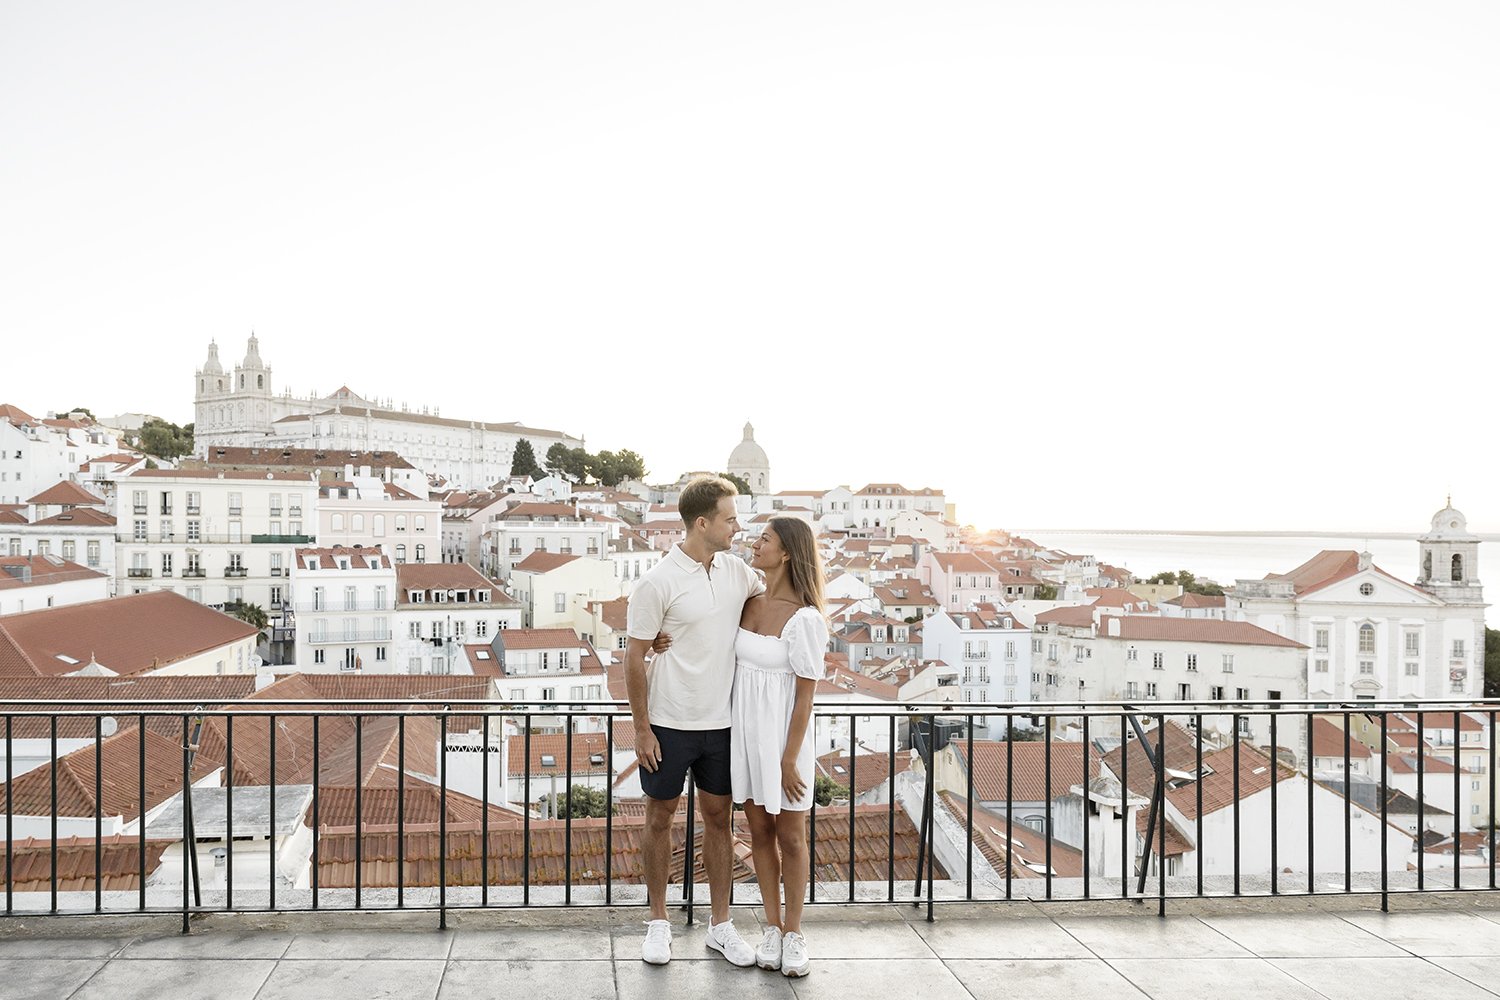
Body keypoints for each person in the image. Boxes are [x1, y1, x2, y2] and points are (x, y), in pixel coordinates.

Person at [653, 515, 829, 977]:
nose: (755, 542)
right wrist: (658, 636)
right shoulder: (748, 601)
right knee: (761, 836)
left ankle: (794, 933)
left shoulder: (806, 618)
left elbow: (806, 694)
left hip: (784, 744)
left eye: (765, 539)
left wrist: (790, 759)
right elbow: (703, 628)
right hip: (744, 737)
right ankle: (770, 926)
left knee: (791, 836)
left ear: (787, 552)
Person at [624, 475, 763, 967]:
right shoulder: (656, 581)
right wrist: (641, 729)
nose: (737, 527)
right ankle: (658, 922)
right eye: (730, 519)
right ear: (702, 523)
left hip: (722, 723)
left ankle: (721, 926)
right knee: (659, 818)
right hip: (667, 721)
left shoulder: (736, 571)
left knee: (720, 821)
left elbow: (774, 598)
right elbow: (634, 657)